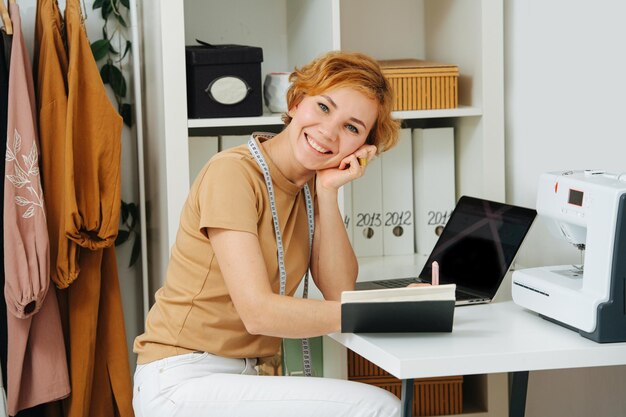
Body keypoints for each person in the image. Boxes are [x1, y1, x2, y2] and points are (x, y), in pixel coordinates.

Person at [132, 50, 401, 417]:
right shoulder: (232, 174)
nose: (329, 131)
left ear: (363, 149)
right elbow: (258, 312)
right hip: (181, 379)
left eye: (352, 128)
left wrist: (327, 191)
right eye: (323, 107)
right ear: (295, 101)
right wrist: (383, 312)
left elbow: (341, 293)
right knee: (379, 408)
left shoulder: (310, 191)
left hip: (242, 377)